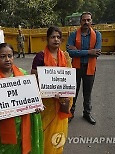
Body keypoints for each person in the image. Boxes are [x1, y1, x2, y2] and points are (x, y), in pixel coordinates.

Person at [0, 43, 43, 154]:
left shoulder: (23, 75)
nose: (7, 59)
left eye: (10, 56)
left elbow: (30, 99)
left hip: (22, 129)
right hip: (1, 134)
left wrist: (36, 107)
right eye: (2, 56)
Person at [31, 26, 73, 154]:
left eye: (58, 37)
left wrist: (65, 98)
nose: (56, 40)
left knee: (58, 135)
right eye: (53, 37)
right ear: (47, 39)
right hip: (46, 103)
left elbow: (69, 80)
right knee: (44, 133)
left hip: (62, 102)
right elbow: (33, 78)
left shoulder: (65, 56)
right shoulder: (40, 56)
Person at [66, 12, 102, 125]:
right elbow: (70, 52)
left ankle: (87, 113)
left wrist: (78, 51)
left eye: (88, 20)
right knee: (73, 92)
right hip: (76, 68)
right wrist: (89, 52)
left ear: (91, 21)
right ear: (80, 21)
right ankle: (70, 113)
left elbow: (97, 53)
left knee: (87, 92)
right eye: (84, 20)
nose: (86, 22)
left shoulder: (97, 35)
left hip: (90, 67)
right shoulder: (73, 34)